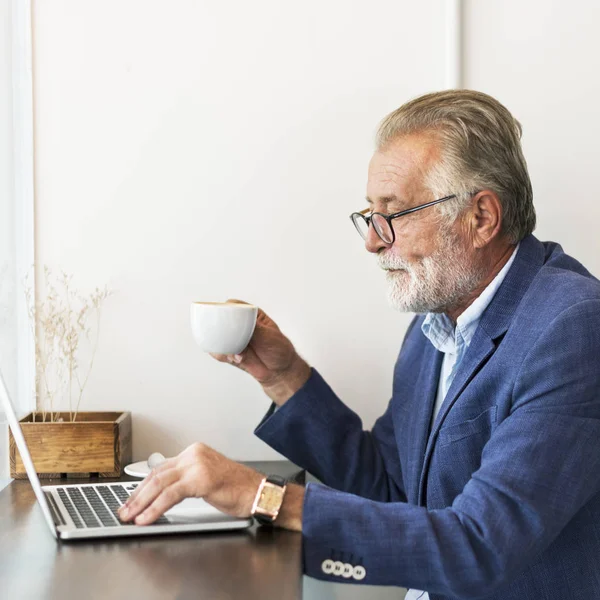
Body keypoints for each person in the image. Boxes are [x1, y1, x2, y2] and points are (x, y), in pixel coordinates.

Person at [119, 90, 600, 600]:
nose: (372, 240)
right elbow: (395, 489)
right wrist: (284, 377)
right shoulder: (435, 324)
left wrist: (261, 497)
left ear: (480, 217)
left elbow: (480, 547)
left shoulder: (570, 328)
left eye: (392, 212)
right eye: (370, 214)